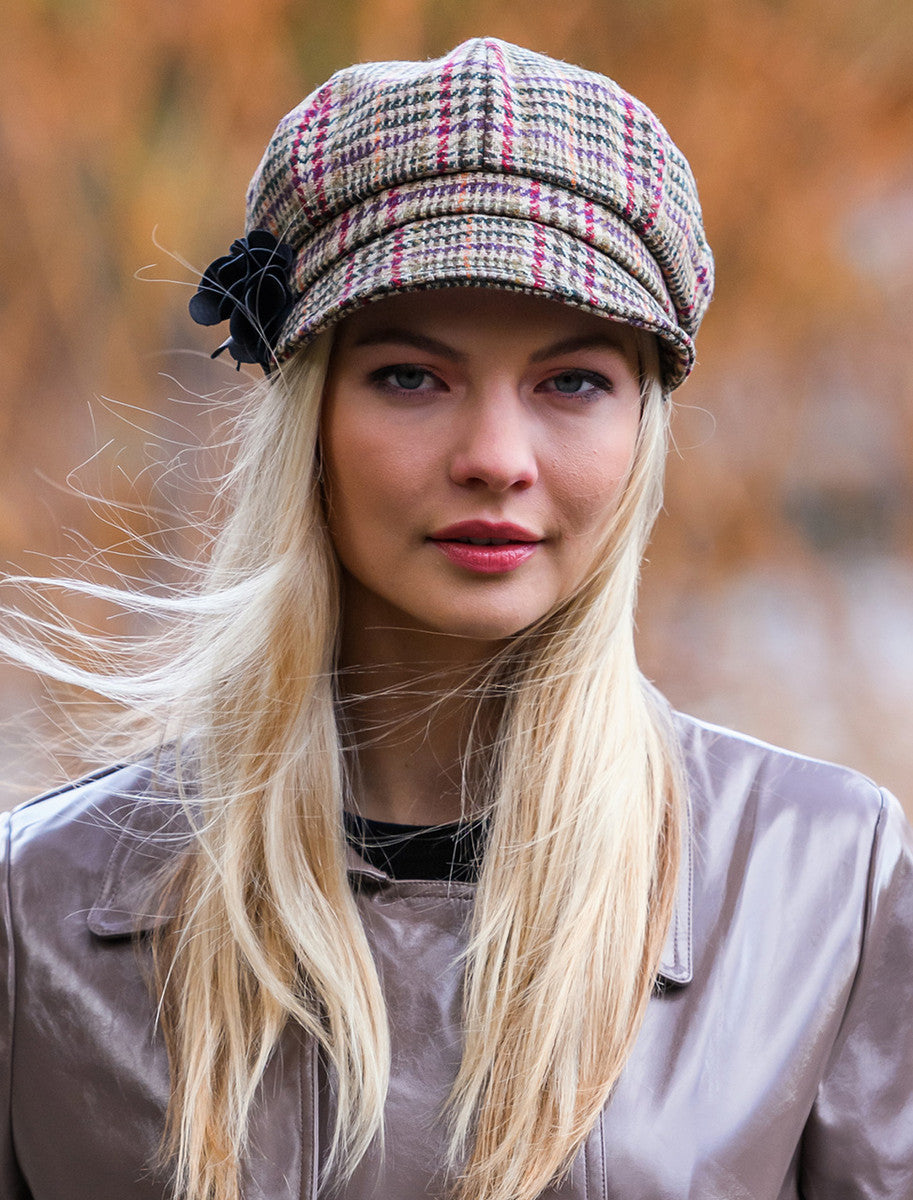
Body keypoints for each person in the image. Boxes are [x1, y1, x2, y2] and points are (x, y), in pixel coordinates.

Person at [1, 36, 911, 1200]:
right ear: (307, 418)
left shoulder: (820, 879)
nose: (493, 458)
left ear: (643, 428)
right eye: (410, 377)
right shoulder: (42, 910)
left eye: (572, 381)